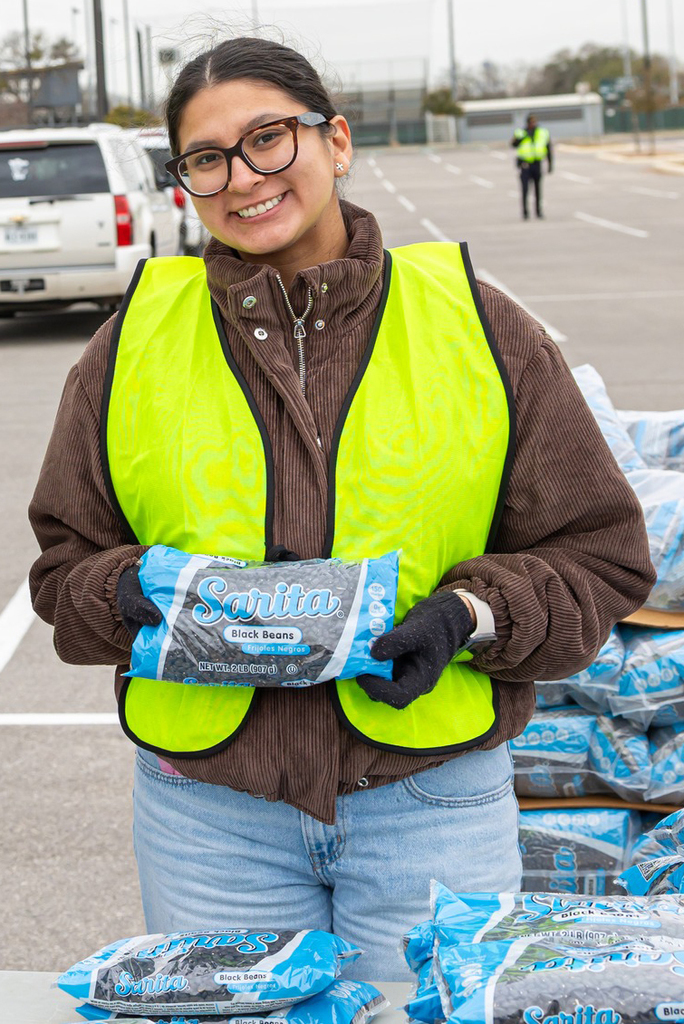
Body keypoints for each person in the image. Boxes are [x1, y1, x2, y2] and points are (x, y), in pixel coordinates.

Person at [28, 36, 654, 982]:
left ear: (338, 141)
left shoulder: (480, 327)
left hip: (429, 803)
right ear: (184, 182)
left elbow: (600, 552)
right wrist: (128, 593)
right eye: (207, 158)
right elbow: (61, 567)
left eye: (270, 138)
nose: (244, 177)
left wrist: (470, 616)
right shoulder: (128, 348)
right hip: (209, 817)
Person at [511, 113, 553, 219]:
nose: (533, 124)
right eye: (531, 122)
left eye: (535, 122)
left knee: (538, 189)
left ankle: (538, 211)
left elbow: (548, 149)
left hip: (537, 164)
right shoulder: (521, 132)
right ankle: (525, 212)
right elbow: (513, 145)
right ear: (527, 122)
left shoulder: (542, 132)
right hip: (525, 165)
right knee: (525, 189)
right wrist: (523, 137)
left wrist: (550, 164)